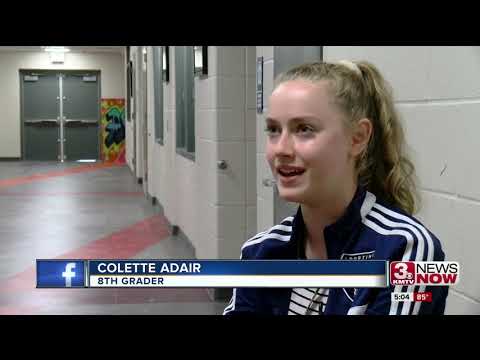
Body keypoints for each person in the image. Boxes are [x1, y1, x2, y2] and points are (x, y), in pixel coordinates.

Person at [223, 60, 448, 315]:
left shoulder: (407, 249)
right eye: (273, 130)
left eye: (304, 129)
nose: (281, 149)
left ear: (358, 138)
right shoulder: (259, 252)